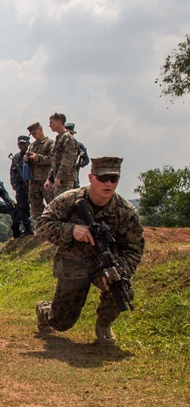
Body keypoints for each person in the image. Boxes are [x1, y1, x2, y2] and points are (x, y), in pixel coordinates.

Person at [35, 157, 144, 347]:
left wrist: (119, 270)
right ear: (91, 177)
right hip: (73, 264)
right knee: (61, 322)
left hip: (103, 265)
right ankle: (44, 311)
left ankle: (103, 326)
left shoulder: (125, 211)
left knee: (120, 286)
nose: (108, 183)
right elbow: (42, 225)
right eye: (103, 178)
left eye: (113, 179)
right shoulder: (70, 200)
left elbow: (134, 247)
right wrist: (71, 230)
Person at [24, 121, 55, 222]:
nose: (33, 136)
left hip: (46, 179)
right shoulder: (32, 146)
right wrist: (27, 159)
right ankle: (40, 228)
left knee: (52, 204)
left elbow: (52, 159)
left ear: (40, 129)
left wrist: (37, 157)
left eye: (34, 133)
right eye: (32, 134)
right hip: (34, 180)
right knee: (35, 206)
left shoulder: (50, 143)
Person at [46, 112, 79, 202]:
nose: (49, 125)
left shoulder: (68, 138)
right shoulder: (59, 138)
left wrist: (59, 177)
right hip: (58, 181)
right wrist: (49, 179)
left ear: (59, 122)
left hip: (65, 180)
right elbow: (54, 161)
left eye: (51, 122)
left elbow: (68, 159)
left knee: (65, 205)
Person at [9, 135, 34, 237]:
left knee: (37, 206)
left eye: (24, 143)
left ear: (28, 144)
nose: (22, 145)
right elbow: (12, 172)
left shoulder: (32, 155)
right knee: (22, 208)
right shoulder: (16, 157)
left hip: (32, 185)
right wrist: (14, 183)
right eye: (20, 144)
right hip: (20, 187)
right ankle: (28, 229)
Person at [65, 122, 90, 190]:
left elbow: (86, 160)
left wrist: (79, 164)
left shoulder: (79, 145)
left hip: (73, 178)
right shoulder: (59, 145)